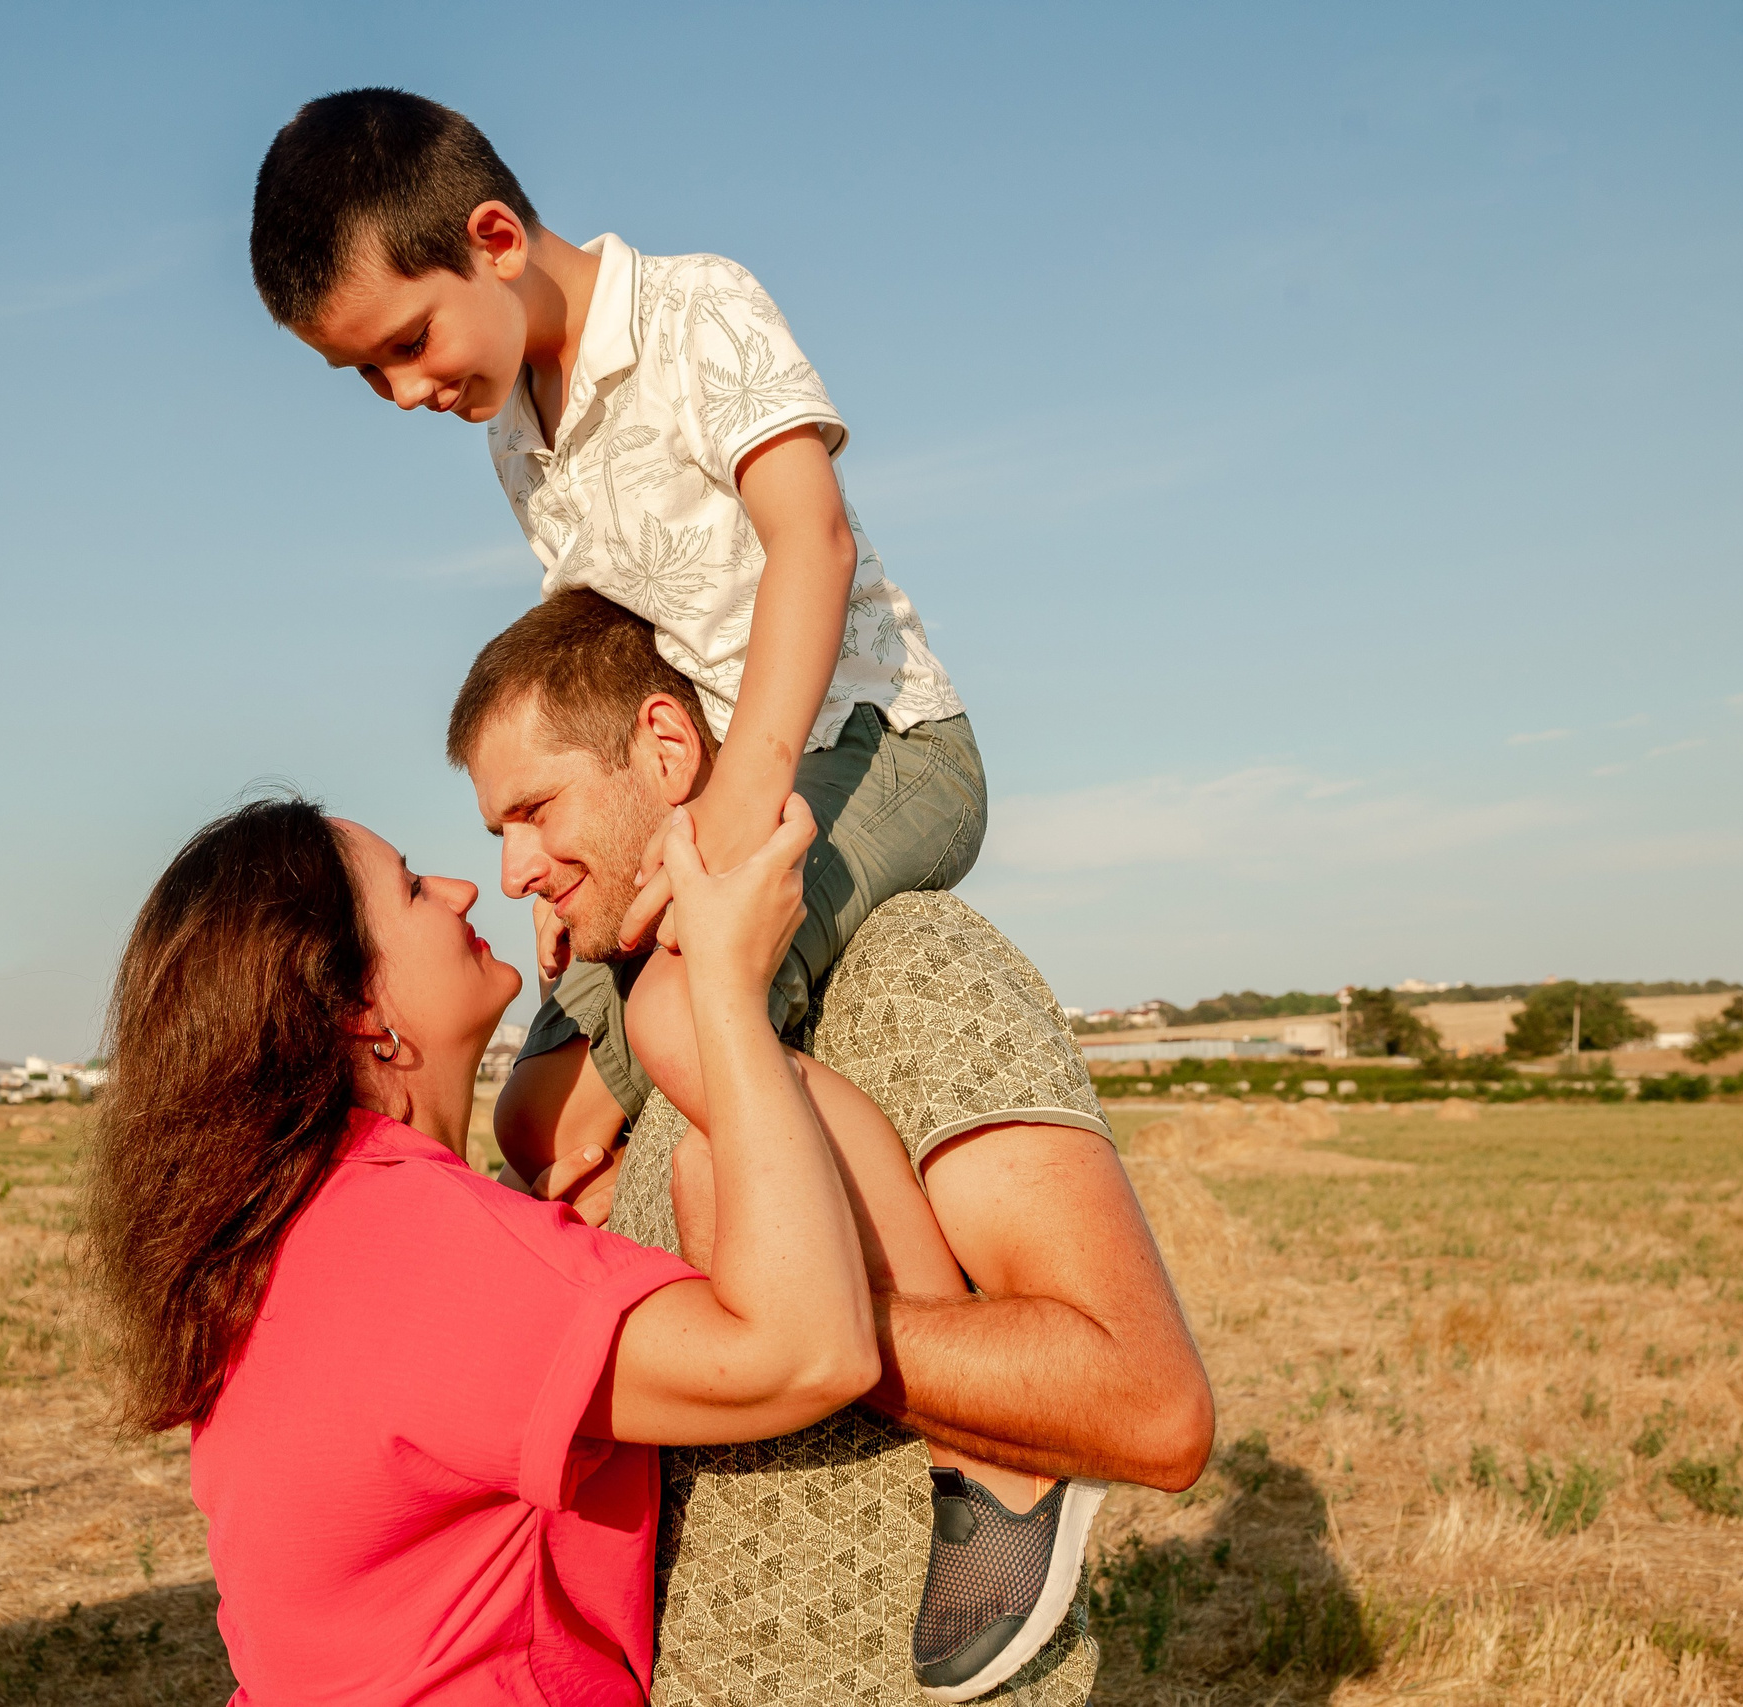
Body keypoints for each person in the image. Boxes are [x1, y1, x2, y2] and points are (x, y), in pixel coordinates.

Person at [248, 90, 1084, 1691]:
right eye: (367, 376)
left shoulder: (694, 306)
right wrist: (576, 868)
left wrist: (726, 843)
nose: (405, 389)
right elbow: (597, 670)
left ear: (493, 239)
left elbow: (811, 540)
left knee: (700, 1033)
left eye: (407, 343)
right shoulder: (522, 435)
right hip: (691, 796)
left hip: (862, 742)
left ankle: (1004, 1455)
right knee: (541, 1117)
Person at [450, 600, 1217, 1703]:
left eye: (535, 810)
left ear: (667, 748)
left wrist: (808, 1320)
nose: (516, 869)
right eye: (495, 836)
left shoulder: (908, 963)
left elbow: (1147, 1405)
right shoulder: (651, 1039)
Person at [82, 791, 883, 1703]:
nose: (466, 888)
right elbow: (808, 1352)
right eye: (415, 888)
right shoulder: (409, 1241)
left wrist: (525, 1234)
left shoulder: (297, 1229)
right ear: (349, 999)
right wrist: (729, 994)